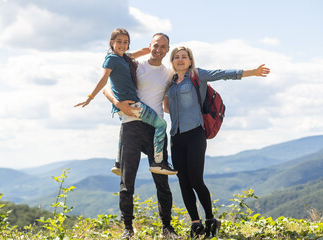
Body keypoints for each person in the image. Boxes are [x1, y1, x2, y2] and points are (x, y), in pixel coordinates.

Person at [164, 46, 270, 238]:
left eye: (184, 57)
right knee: (183, 182)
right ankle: (196, 224)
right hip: (176, 136)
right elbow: (167, 107)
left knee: (196, 180)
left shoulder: (198, 75)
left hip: (195, 133)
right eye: (176, 57)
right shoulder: (170, 82)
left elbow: (223, 74)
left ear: (190, 60)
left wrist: (252, 72)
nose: (180, 60)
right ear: (171, 61)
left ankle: (211, 220)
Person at [103, 33, 179, 240]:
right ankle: (128, 229)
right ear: (150, 46)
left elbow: (167, 104)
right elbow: (107, 87)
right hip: (131, 126)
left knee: (162, 182)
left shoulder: (168, 73)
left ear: (167, 49)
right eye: (156, 45)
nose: (159, 49)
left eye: (163, 46)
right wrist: (117, 104)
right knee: (127, 182)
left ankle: (167, 228)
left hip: (155, 131)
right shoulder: (135, 65)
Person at [75, 28, 176, 176]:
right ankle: (159, 162)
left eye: (126, 42)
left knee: (124, 130)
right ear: (112, 43)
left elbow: (140, 52)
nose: (122, 45)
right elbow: (104, 80)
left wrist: (153, 49)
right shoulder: (112, 59)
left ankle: (118, 163)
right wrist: (90, 97)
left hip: (125, 108)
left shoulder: (125, 58)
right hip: (133, 104)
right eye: (119, 42)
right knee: (161, 124)